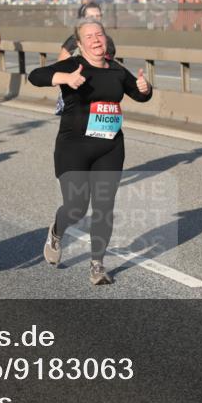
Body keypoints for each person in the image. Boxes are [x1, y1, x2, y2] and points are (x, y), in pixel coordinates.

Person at [28, 16, 152, 285]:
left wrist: (145, 88)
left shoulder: (116, 70)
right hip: (73, 147)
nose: (96, 40)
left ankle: (97, 265)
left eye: (99, 35)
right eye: (89, 36)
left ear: (106, 38)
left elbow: (140, 94)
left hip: (110, 147)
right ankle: (57, 231)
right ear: (80, 44)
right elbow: (35, 76)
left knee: (104, 208)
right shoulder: (73, 66)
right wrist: (65, 78)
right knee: (76, 207)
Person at [55, 1, 116, 115]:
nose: (95, 19)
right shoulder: (74, 40)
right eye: (91, 17)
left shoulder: (108, 41)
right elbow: (60, 66)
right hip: (78, 95)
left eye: (98, 16)